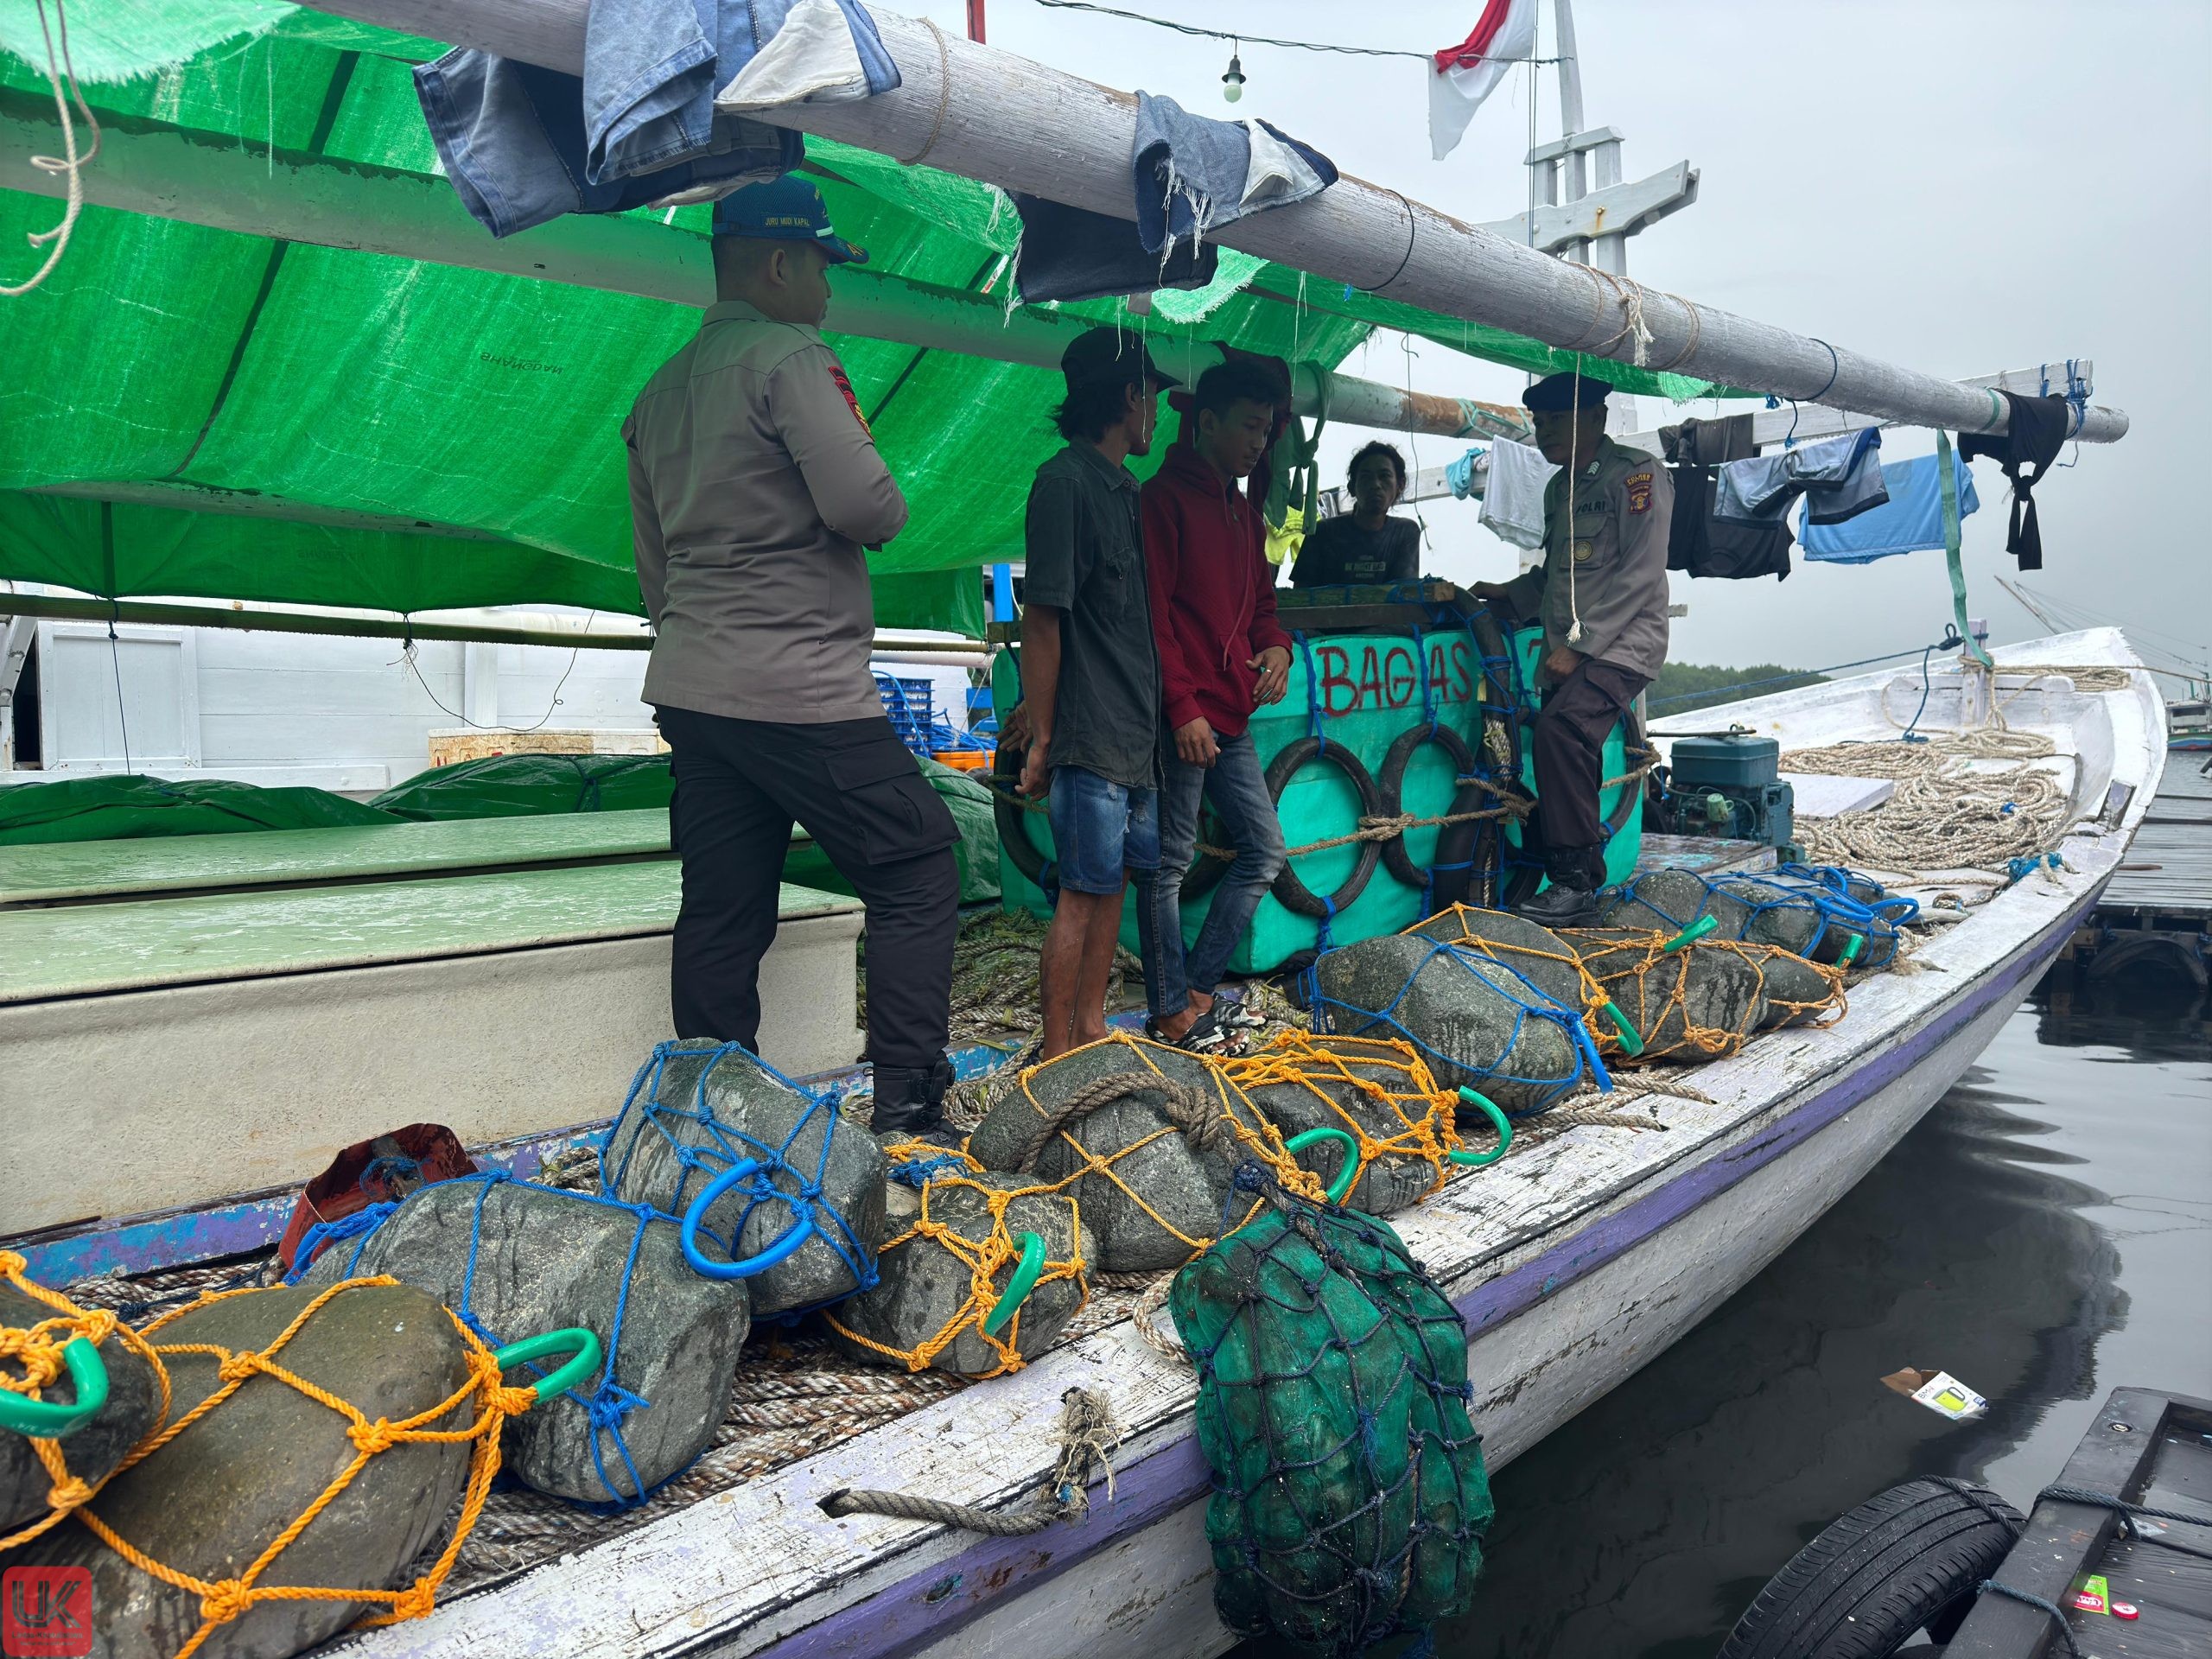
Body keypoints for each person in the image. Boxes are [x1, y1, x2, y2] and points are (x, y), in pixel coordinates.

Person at [622, 175, 962, 1138]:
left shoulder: (656, 392)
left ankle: (713, 1120)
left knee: (723, 907)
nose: (828, 287)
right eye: (821, 264)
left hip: (695, 686)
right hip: (797, 684)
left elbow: (655, 570)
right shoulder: (792, 358)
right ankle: (908, 1104)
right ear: (778, 262)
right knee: (917, 864)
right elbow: (870, 509)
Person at [1018, 328, 1180, 1059]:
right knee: (1081, 892)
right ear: (1130, 397)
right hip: (1090, 737)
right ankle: (1058, 1052)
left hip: (1135, 738)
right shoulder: (1065, 485)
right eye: (1154, 398)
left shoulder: (1125, 490)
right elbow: (1043, 620)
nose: (1158, 414)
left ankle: (1091, 1027)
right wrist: (1045, 737)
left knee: (1114, 882)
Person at [1473, 372, 1672, 925]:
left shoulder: (1636, 475)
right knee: (1559, 742)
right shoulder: (1558, 489)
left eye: (1558, 419)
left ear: (1597, 418)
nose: (1546, 431)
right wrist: (1509, 595)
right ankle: (1567, 872)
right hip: (1577, 649)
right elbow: (1558, 577)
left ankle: (1574, 883)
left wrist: (1579, 649)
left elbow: (1639, 574)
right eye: (1540, 422)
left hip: (1623, 645)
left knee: (1561, 733)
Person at [1137, 361, 1294, 1052]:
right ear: (1205, 423)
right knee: (1169, 862)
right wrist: (1181, 708)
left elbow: (1263, 607)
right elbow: (1152, 620)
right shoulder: (1161, 500)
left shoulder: (1244, 512)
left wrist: (1278, 649)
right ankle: (1170, 1009)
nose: (1259, 442)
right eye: (1249, 427)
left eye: (1267, 429)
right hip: (1184, 719)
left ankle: (1197, 991)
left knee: (1264, 851)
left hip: (1231, 716)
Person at [1289, 442, 1421, 588]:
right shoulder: (1322, 532)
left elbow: (1405, 593)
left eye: (1384, 476)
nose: (1375, 485)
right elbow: (1300, 594)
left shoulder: (1405, 532)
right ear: (1352, 487)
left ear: (1400, 485)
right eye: (1366, 477)